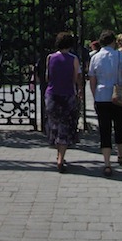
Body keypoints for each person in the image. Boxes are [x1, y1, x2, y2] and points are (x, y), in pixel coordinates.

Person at [88, 29, 122, 176]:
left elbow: (92, 80)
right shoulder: (119, 55)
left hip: (102, 97)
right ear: (113, 42)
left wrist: (95, 96)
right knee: (119, 126)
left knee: (104, 130)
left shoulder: (95, 57)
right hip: (118, 96)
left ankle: (107, 163)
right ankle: (120, 153)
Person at [44, 32, 82, 172]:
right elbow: (75, 78)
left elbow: (48, 77)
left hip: (52, 95)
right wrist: (79, 91)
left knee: (54, 125)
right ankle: (61, 157)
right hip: (67, 94)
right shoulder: (74, 59)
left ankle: (57, 154)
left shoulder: (50, 58)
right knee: (65, 126)